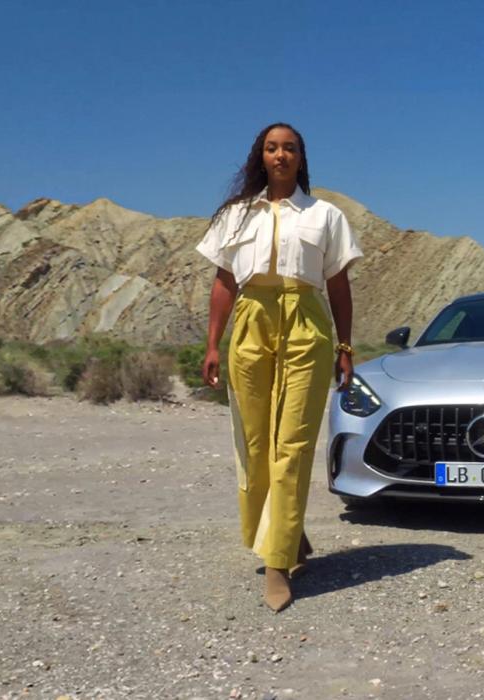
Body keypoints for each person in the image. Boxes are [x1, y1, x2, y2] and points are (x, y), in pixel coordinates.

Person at [196, 122, 362, 611]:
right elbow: (224, 281)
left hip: (307, 323)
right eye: (272, 148)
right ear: (260, 157)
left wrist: (346, 345)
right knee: (254, 442)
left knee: (292, 443)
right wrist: (212, 343)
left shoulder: (325, 215)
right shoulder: (236, 214)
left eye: (290, 148)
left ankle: (276, 563)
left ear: (301, 158)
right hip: (251, 320)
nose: (281, 155)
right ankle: (285, 535)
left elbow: (337, 286)